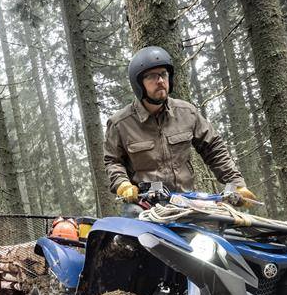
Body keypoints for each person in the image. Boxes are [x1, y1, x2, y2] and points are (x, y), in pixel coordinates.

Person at [104, 46, 257, 215]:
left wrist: (237, 185)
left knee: (220, 232)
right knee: (134, 229)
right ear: (139, 83)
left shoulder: (187, 112)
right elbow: (113, 161)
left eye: (163, 74)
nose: (160, 81)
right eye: (152, 77)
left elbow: (213, 148)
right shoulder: (120, 123)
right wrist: (122, 184)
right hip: (143, 206)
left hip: (186, 202)